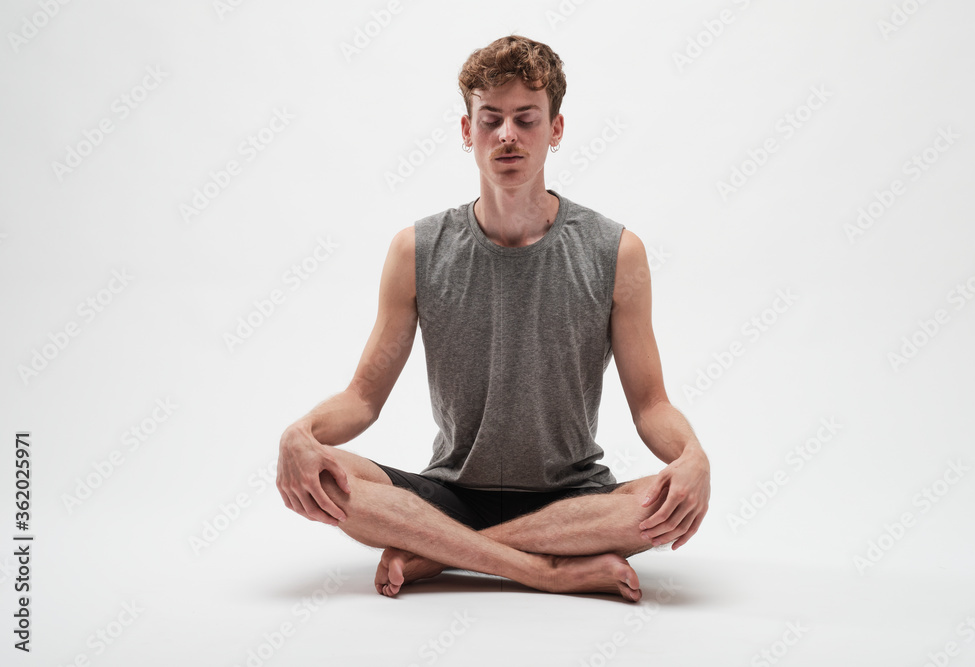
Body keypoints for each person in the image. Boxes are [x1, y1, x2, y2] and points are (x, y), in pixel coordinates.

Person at [276, 34, 710, 602]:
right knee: (330, 476)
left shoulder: (616, 252)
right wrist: (300, 433)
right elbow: (362, 397)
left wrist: (693, 456)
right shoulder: (416, 250)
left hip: (575, 499)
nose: (507, 134)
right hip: (449, 493)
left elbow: (651, 405)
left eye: (526, 119)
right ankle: (545, 570)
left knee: (657, 503)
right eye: (491, 120)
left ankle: (437, 553)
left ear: (555, 129)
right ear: (467, 131)